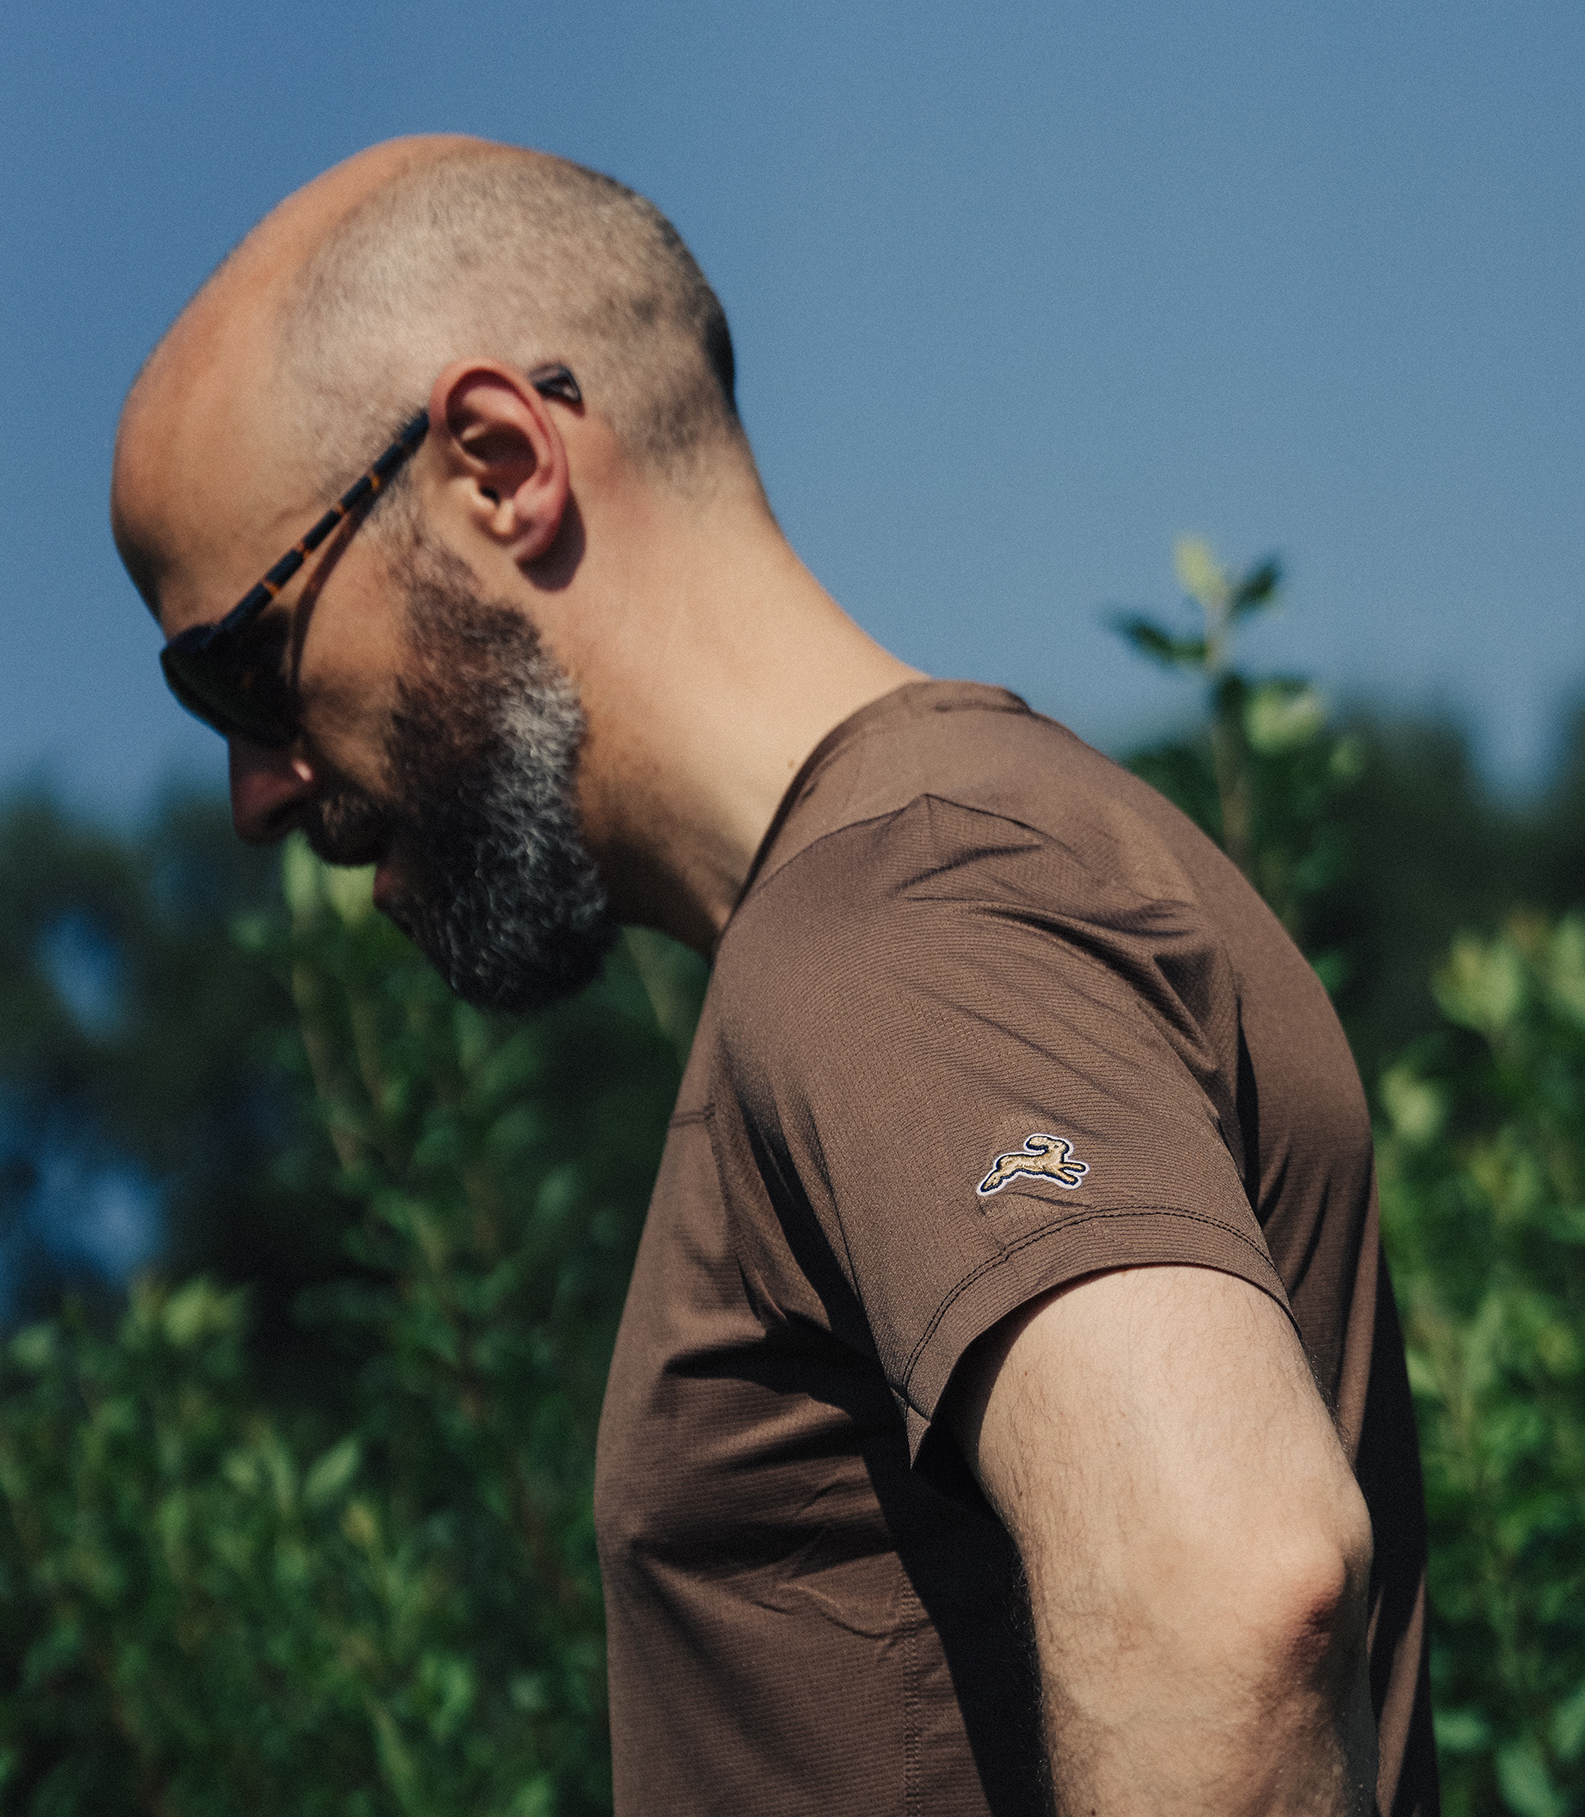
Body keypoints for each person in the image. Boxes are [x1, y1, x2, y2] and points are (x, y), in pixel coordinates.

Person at [112, 135, 1436, 1817]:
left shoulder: (906, 915)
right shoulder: (941, 884)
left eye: (242, 669)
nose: (255, 792)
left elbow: (1230, 1597)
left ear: (500, 465)